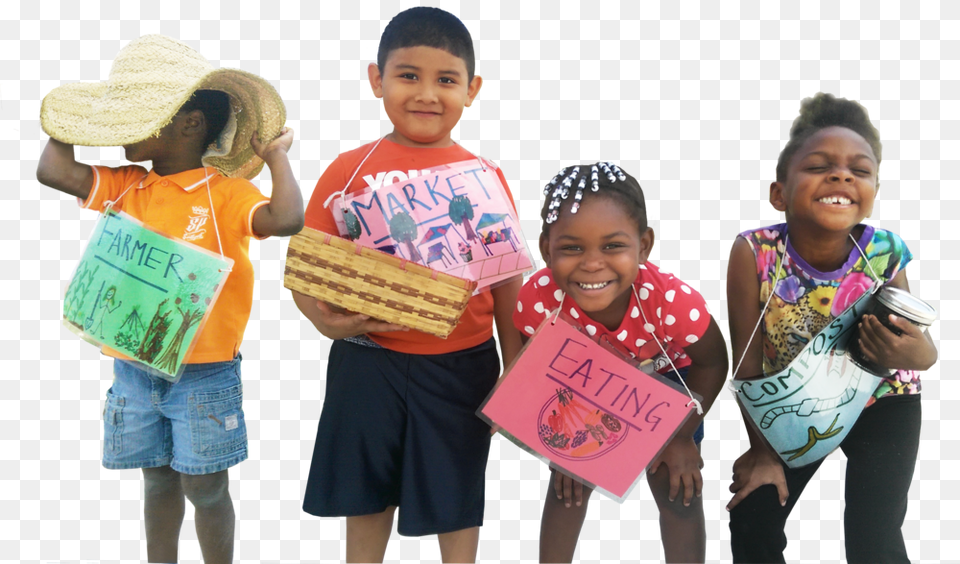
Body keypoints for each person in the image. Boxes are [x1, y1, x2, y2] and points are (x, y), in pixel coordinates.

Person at [36, 34, 303, 564]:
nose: (123, 132)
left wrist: (276, 160)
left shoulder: (225, 193)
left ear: (189, 125)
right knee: (157, 483)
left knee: (205, 489)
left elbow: (287, 218)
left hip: (204, 374)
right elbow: (54, 171)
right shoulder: (129, 184)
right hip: (135, 369)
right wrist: (74, 117)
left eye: (141, 116)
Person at [293, 7, 523, 564]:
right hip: (367, 358)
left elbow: (509, 281)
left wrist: (514, 370)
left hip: (463, 363)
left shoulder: (485, 176)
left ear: (472, 90)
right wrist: (319, 317)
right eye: (408, 76)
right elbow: (306, 265)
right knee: (365, 495)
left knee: (456, 494)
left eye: (446, 80)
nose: (426, 93)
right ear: (377, 79)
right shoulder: (348, 170)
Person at [725, 93, 938, 563]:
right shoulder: (754, 253)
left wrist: (918, 353)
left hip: (882, 400)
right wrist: (760, 452)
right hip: (794, 405)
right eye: (820, 166)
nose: (841, 175)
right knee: (752, 515)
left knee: (874, 538)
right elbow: (746, 362)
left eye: (859, 171)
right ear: (779, 192)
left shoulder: (884, 251)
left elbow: (923, 353)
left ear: (872, 193)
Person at [513, 162, 728, 563]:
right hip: (585, 387)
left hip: (667, 382)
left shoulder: (672, 302)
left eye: (612, 246)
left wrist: (683, 434)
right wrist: (564, 447)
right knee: (569, 485)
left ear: (643, 245)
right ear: (546, 248)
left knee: (677, 488)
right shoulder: (537, 301)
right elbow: (540, 366)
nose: (592, 263)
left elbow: (713, 362)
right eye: (572, 247)